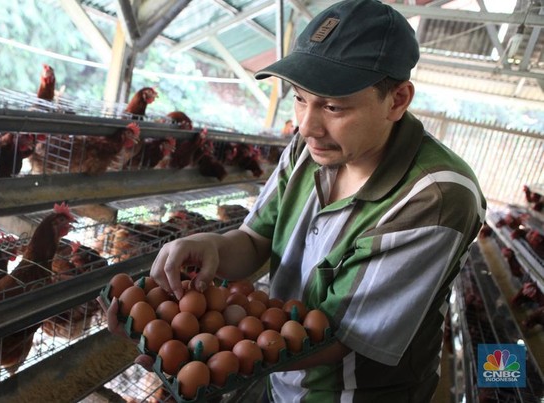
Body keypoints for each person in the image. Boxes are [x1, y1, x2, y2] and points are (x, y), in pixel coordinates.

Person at [101, 0, 486, 401]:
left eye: (333, 106)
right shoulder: (311, 148)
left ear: (397, 100)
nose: (307, 125)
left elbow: (339, 337)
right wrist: (208, 246)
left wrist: (193, 341)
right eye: (301, 98)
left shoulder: (437, 197)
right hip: (279, 378)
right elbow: (254, 242)